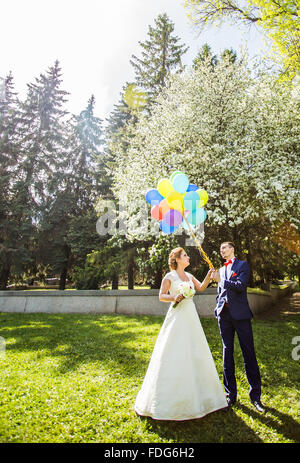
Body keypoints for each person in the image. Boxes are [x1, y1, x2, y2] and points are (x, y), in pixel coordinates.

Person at [134, 247, 228, 421]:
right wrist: (174, 298)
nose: (188, 257)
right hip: (176, 317)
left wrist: (209, 275)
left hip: (190, 315)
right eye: (185, 255)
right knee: (174, 349)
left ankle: (204, 398)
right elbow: (161, 296)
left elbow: (200, 287)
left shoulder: (190, 276)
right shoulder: (169, 277)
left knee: (195, 349)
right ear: (176, 259)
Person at [211, 241, 265, 413]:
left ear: (232, 249)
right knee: (227, 353)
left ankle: (255, 397)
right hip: (224, 316)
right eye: (220, 249)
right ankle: (230, 395)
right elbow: (221, 292)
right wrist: (217, 306)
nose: (222, 250)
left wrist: (222, 281)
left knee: (248, 352)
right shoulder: (220, 270)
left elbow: (240, 287)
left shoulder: (243, 265)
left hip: (241, 315)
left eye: (224, 247)